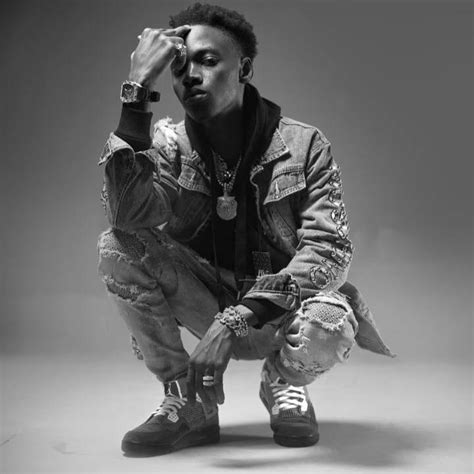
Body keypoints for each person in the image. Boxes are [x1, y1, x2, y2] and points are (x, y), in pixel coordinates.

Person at [97, 2, 393, 455]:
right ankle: (188, 400)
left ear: (245, 69)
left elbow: (328, 251)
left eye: (207, 60)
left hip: (278, 313)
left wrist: (236, 319)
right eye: (178, 67)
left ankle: (284, 380)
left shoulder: (304, 145)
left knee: (331, 319)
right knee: (118, 245)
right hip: (203, 299)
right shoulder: (169, 147)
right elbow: (126, 216)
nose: (191, 75)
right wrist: (136, 92)